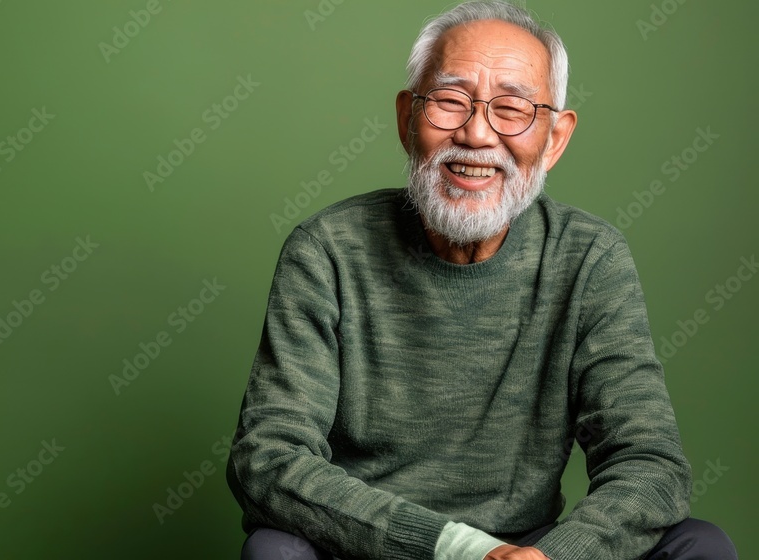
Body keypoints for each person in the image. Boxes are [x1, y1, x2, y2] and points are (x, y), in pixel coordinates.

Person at [225, 2, 738, 559]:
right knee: (275, 549)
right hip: (371, 544)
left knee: (700, 545)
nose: (475, 135)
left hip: (531, 550)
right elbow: (268, 457)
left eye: (512, 109)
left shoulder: (589, 258)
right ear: (406, 119)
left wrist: (554, 556)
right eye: (449, 101)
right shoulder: (327, 250)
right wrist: (458, 549)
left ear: (555, 139)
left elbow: (650, 464)